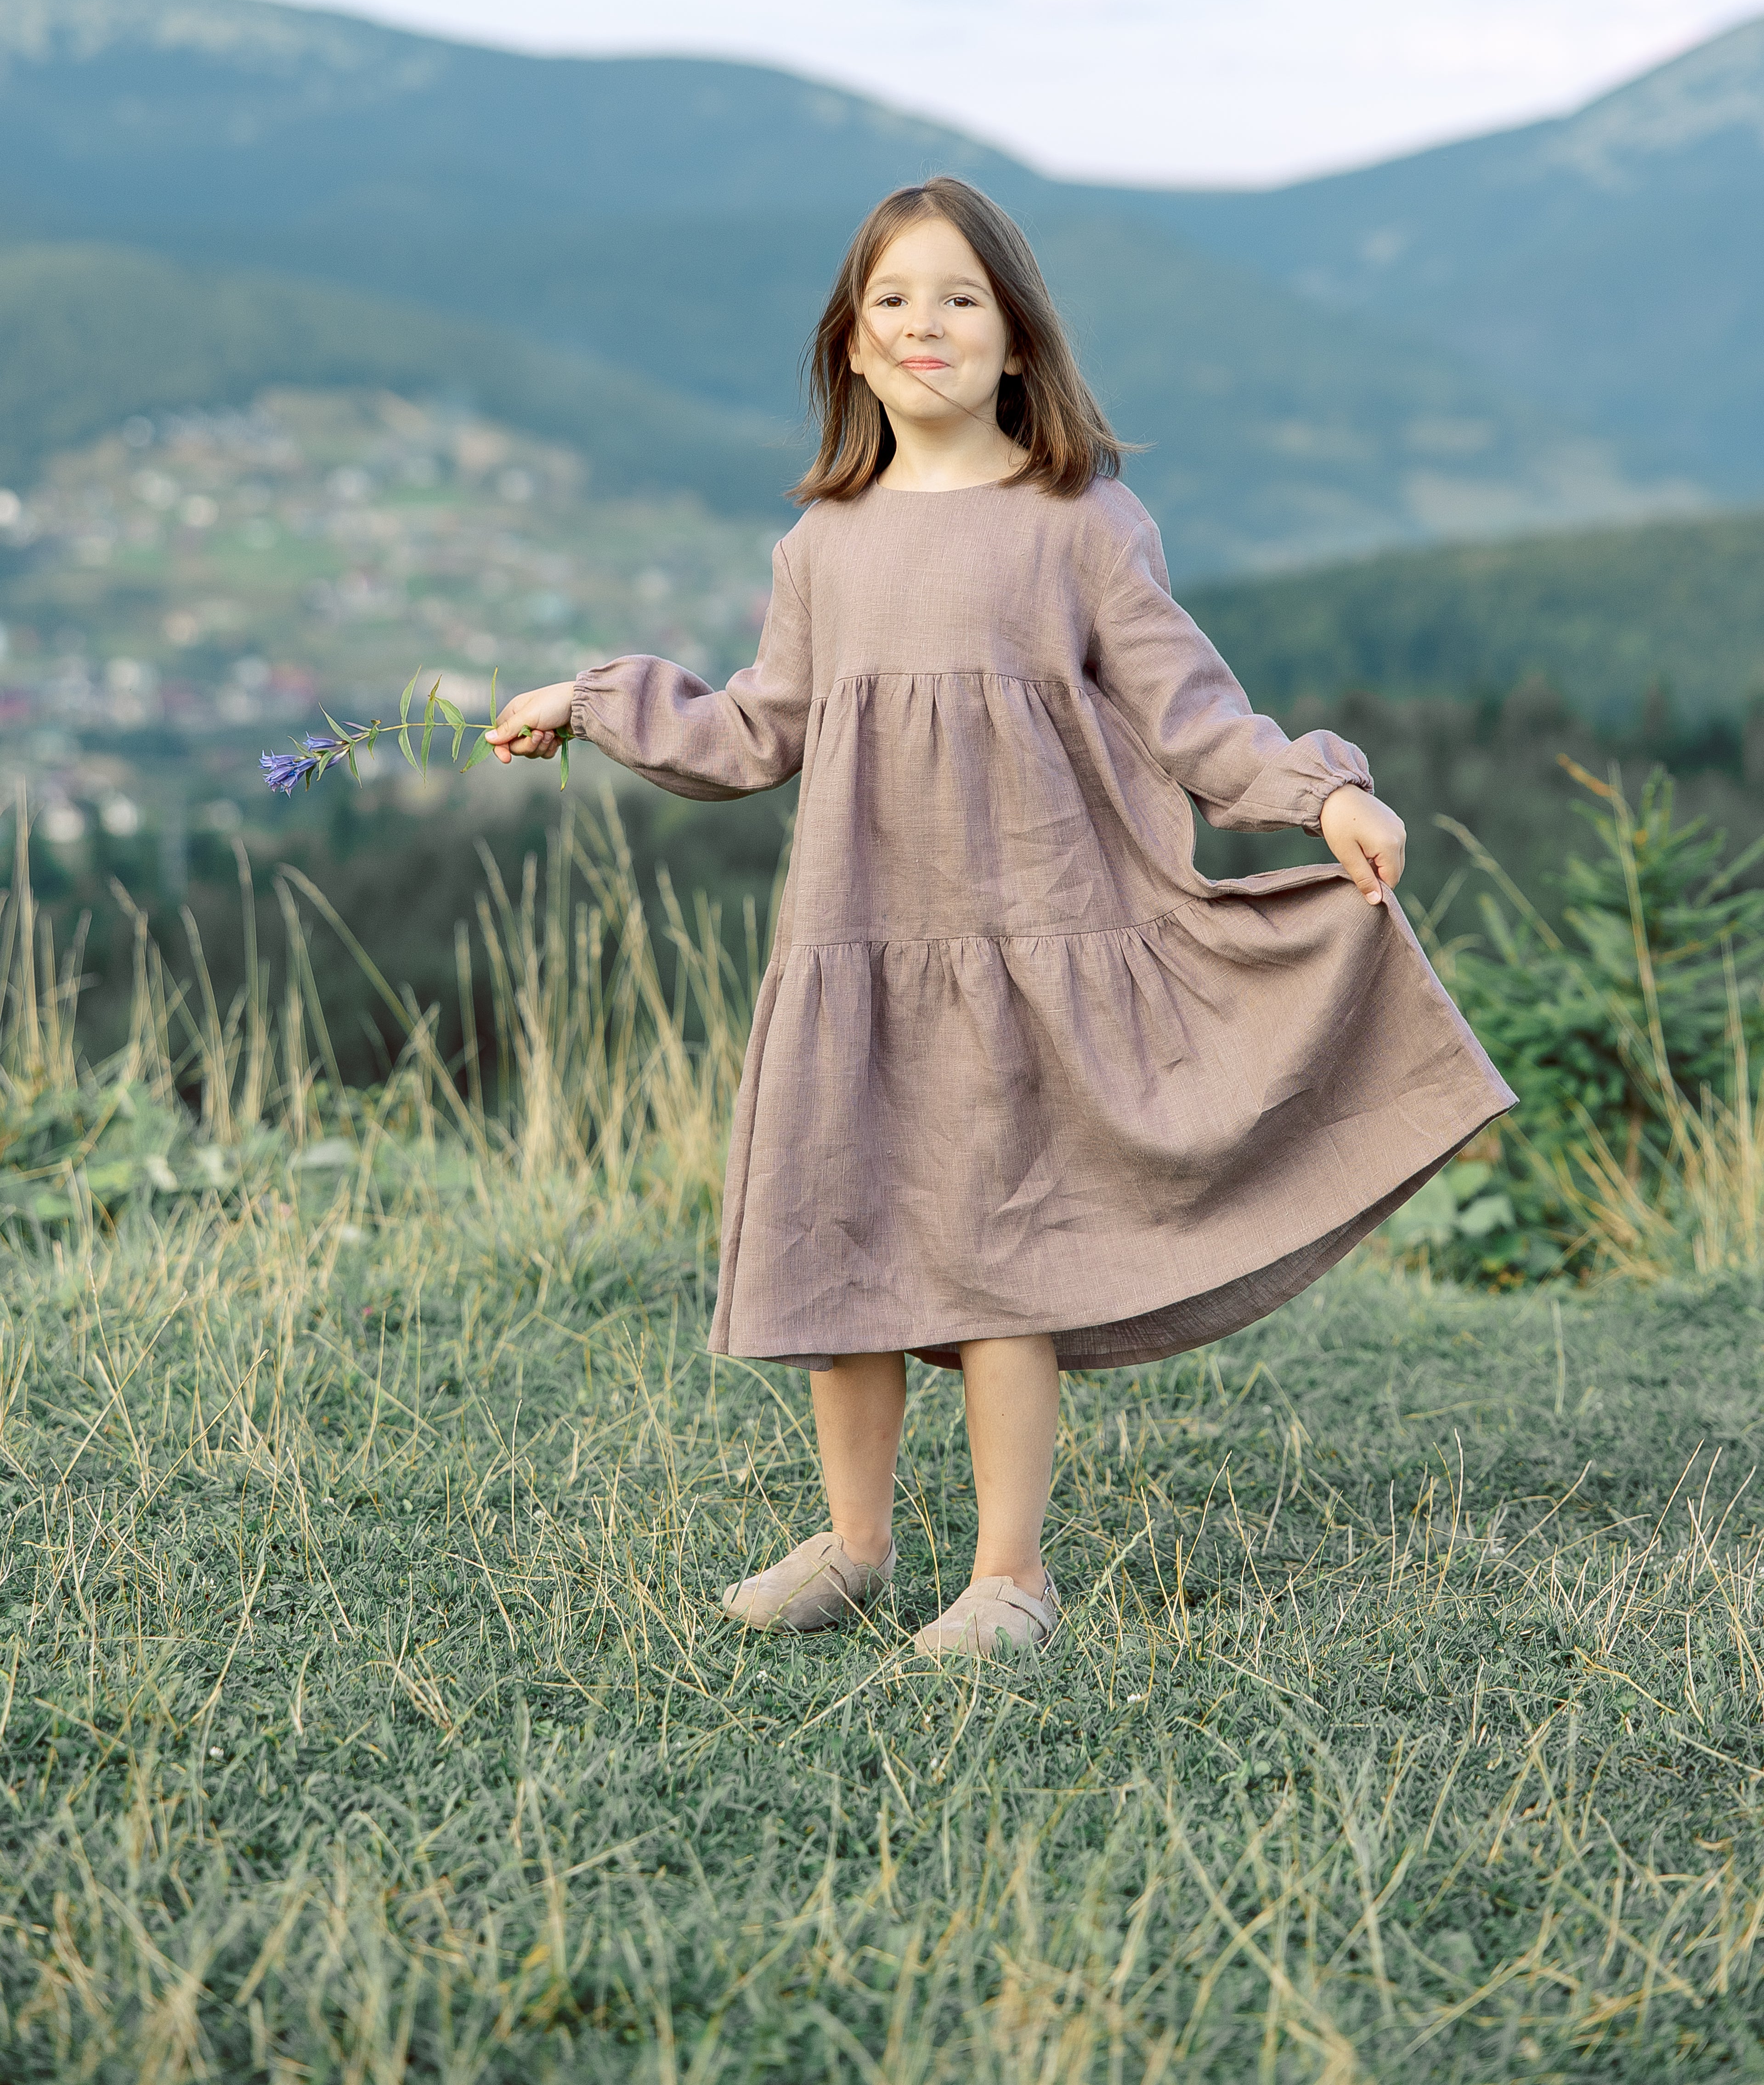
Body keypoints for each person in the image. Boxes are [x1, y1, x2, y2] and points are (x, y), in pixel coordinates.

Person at [486, 177, 1513, 1659]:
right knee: (840, 1242)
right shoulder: (822, 546)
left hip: (1028, 947)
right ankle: (851, 1546)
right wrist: (591, 705)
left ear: (1017, 341)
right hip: (858, 948)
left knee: (997, 1255)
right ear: (850, 344)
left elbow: (1196, 715)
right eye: (894, 301)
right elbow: (756, 734)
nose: (926, 325)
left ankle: (1009, 1578)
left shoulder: (1081, 521)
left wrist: (1323, 792)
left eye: (961, 299)